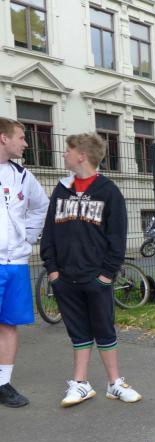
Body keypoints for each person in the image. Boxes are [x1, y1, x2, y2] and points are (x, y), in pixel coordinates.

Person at [40, 133, 142, 407]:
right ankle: (81, 383)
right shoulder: (61, 190)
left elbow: (117, 238)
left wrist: (106, 275)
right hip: (65, 278)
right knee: (78, 331)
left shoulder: (108, 191)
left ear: (82, 155)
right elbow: (49, 233)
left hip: (97, 278)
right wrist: (53, 271)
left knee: (104, 329)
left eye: (68, 150)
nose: (64, 154)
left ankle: (114, 383)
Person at [0, 118, 49, 408]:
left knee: (9, 325)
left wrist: (28, 236)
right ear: (3, 138)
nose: (26, 143)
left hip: (15, 263)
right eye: (21, 137)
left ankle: (2, 384)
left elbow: (41, 206)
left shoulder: (22, 175)